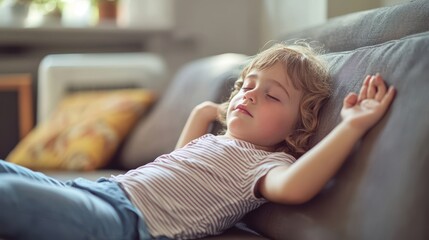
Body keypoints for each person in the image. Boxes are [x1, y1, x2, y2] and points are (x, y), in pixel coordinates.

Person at [0, 43, 395, 240]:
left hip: (125, 222)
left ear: (297, 129)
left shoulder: (266, 164)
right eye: (247, 86)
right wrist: (205, 112)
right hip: (100, 190)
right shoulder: (220, 144)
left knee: (9, 196)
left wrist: (351, 126)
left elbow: (296, 187)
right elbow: (177, 159)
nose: (250, 95)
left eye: (272, 95)